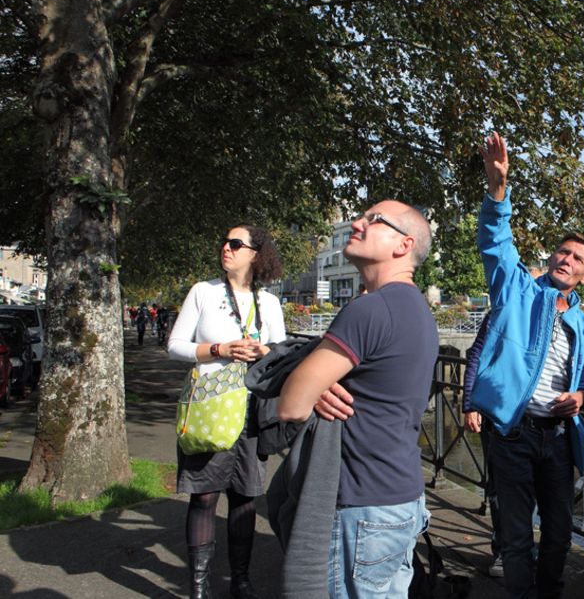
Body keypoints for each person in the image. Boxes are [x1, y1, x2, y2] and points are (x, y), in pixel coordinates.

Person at [278, 200, 438, 599]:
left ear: (403, 245)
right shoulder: (415, 308)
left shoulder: (371, 308)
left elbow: (291, 405)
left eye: (373, 219)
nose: (357, 222)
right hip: (400, 499)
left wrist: (312, 387)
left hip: (361, 502)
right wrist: (320, 384)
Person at [468, 132, 584, 599]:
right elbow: (495, 243)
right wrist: (498, 190)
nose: (567, 259)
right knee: (518, 535)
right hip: (515, 432)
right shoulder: (518, 291)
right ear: (551, 258)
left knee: (560, 534)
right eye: (563, 252)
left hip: (561, 439)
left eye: (578, 258)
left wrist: (581, 397)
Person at [167, 225, 286, 599]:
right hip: (211, 408)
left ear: (256, 254)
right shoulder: (204, 292)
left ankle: (241, 580)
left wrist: (262, 352)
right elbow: (175, 346)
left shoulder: (269, 303)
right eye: (224, 241)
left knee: (245, 498)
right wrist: (220, 350)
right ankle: (198, 588)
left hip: (252, 411)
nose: (226, 248)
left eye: (236, 243)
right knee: (204, 496)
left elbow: (280, 353)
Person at [461, 310, 506, 578]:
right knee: (499, 488)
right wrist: (470, 403)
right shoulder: (499, 313)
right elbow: (476, 355)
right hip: (497, 413)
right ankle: (503, 551)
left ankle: (526, 550)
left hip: (540, 416)